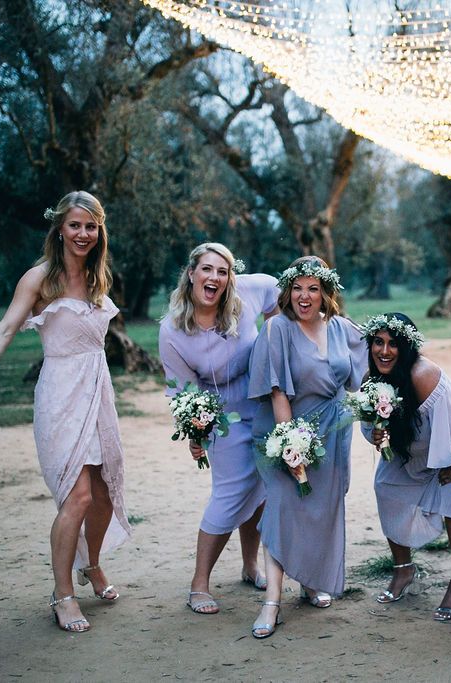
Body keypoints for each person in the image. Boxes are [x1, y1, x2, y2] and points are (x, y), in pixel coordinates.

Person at [0, 191, 130, 633]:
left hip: (97, 390)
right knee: (77, 496)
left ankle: (93, 565)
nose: (83, 234)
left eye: (91, 226)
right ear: (60, 228)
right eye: (75, 225)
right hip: (60, 395)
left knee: (104, 492)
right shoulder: (39, 278)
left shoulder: (97, 276)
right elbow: (5, 328)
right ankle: (62, 594)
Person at [247, 256, 366, 638]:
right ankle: (272, 602)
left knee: (319, 509)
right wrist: (290, 445)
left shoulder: (341, 328)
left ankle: (311, 580)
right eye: (297, 287)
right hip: (288, 429)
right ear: (287, 291)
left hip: (333, 433)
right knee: (284, 506)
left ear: (326, 292)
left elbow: (373, 362)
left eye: (313, 288)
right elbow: (277, 389)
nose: (304, 296)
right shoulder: (277, 329)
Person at [158, 243, 280, 615]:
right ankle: (199, 584)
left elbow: (280, 300)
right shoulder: (172, 330)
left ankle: (250, 566)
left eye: (222, 272)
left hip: (261, 399)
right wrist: (196, 434)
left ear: (230, 278)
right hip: (219, 414)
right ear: (191, 273)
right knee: (229, 492)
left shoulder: (249, 291)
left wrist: (278, 338)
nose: (214, 278)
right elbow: (184, 391)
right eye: (207, 270)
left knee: (260, 487)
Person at [359, 313, 451, 621]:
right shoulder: (370, 381)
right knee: (385, 486)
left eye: (394, 344)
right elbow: (370, 427)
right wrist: (376, 435)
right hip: (418, 443)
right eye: (378, 342)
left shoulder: (425, 375)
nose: (385, 351)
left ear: (408, 348)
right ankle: (403, 569)